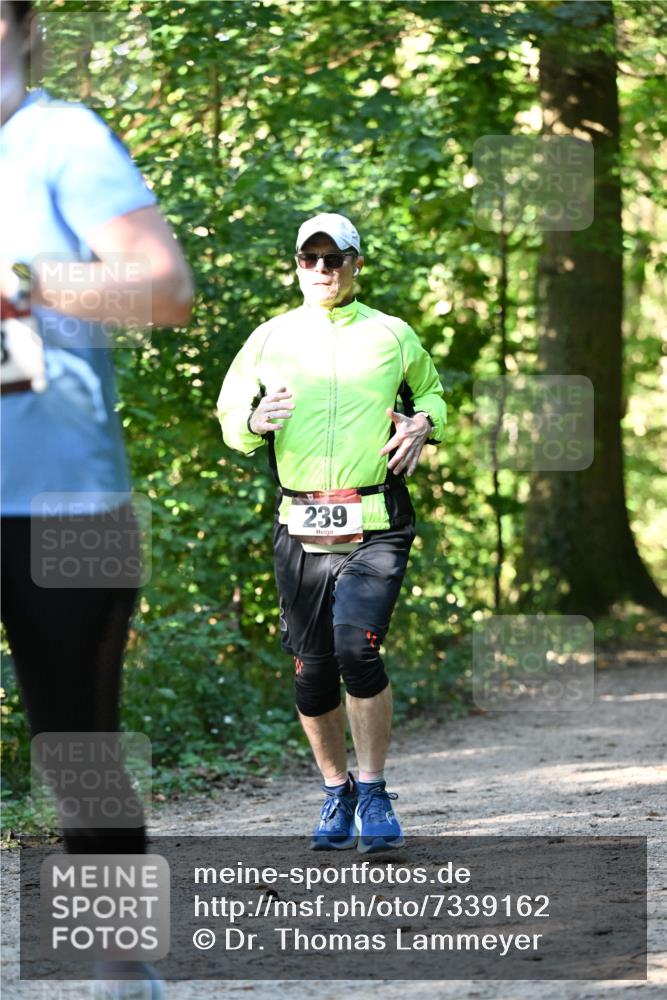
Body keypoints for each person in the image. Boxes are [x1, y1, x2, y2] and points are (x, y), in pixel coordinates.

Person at [0, 2, 192, 994]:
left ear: (25, 25)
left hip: (62, 503)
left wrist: (31, 285)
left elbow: (165, 289)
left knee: (78, 749)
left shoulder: (61, 137)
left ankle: (127, 978)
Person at [217, 212, 446, 853]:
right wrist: (254, 420)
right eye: (309, 258)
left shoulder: (393, 335)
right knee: (311, 671)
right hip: (301, 525)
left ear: (356, 264)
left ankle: (372, 792)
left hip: (375, 520)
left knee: (356, 649)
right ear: (296, 265)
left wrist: (425, 422)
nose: (321, 268)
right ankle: (335, 790)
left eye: (334, 257)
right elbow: (231, 414)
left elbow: (434, 395)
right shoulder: (270, 338)